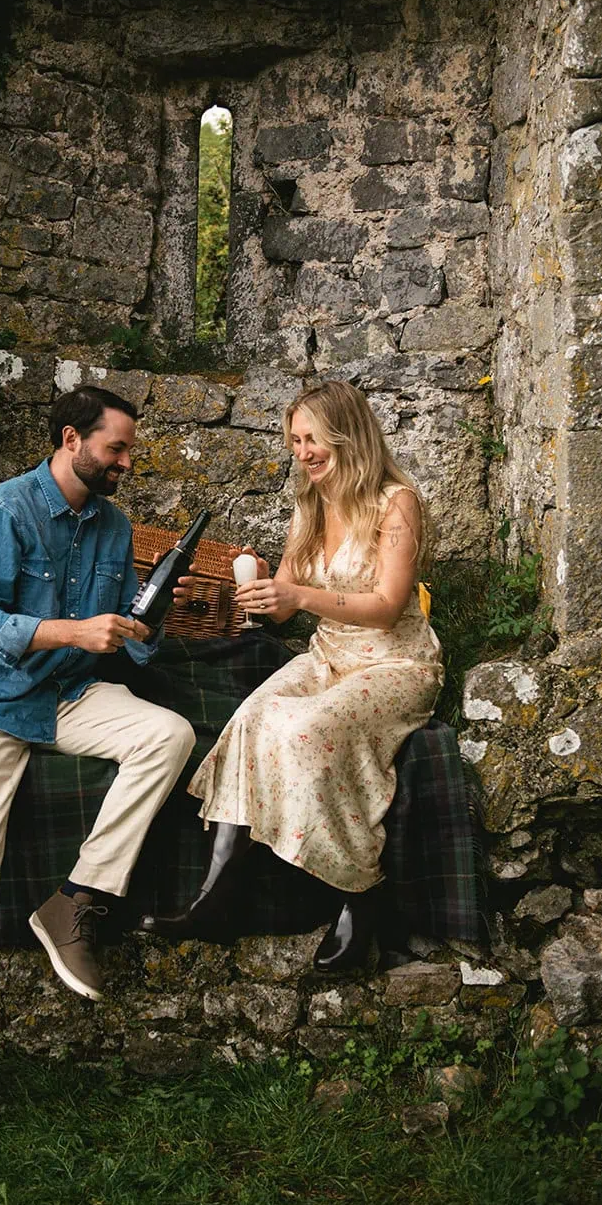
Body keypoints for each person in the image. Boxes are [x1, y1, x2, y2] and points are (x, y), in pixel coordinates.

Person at [0, 385, 196, 1156]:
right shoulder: (2, 512)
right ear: (72, 439)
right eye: (117, 448)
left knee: (169, 735)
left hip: (69, 694)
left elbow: (127, 637)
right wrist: (73, 628)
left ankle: (75, 899)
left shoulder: (115, 524)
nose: (126, 462)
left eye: (129, 450)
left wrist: (147, 621)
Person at [140, 381, 443, 969]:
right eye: (295, 440)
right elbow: (285, 595)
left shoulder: (396, 502)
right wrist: (262, 597)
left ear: (346, 434)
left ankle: (361, 894)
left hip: (395, 662)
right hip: (329, 654)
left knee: (308, 729)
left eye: (312, 438)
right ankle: (216, 899)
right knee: (253, 717)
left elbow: (385, 604)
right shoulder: (311, 503)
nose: (302, 451)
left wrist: (299, 595)